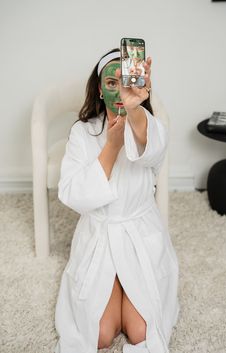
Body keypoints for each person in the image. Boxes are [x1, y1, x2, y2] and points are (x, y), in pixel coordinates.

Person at [54, 48, 180, 353]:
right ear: (99, 89)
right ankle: (113, 281)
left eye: (126, 82)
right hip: (100, 237)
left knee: (142, 333)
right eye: (111, 84)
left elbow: (154, 151)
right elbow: (73, 194)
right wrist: (110, 146)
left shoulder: (148, 125)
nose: (119, 91)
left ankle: (129, 282)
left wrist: (135, 109)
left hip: (140, 235)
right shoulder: (83, 134)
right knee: (96, 335)